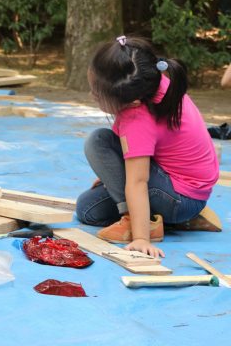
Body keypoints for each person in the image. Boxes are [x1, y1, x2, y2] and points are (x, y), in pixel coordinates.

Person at [76, 36, 219, 258]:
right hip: (185, 189)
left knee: (97, 141)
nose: (91, 95)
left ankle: (141, 222)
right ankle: (174, 220)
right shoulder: (151, 83)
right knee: (87, 209)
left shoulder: (137, 118)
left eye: (97, 95)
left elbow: (138, 181)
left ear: (131, 101)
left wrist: (141, 238)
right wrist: (111, 172)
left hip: (179, 196)